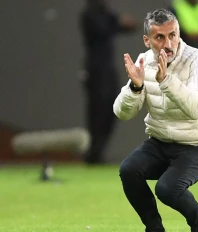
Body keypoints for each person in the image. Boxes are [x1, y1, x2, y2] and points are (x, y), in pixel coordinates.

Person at [113, 8, 198, 232]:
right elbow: (122, 113)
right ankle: (154, 229)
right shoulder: (144, 61)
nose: (168, 43)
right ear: (147, 40)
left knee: (168, 189)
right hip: (161, 141)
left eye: (172, 35)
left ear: (179, 33)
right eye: (160, 37)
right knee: (129, 170)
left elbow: (196, 109)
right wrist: (135, 87)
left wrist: (166, 81)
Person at [79, 0, 136, 164]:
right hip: (95, 69)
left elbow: (126, 25)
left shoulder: (106, 12)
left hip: (108, 68)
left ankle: (98, 150)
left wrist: (122, 23)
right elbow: (103, 29)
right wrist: (119, 23)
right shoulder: (89, 14)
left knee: (114, 107)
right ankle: (93, 154)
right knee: (97, 111)